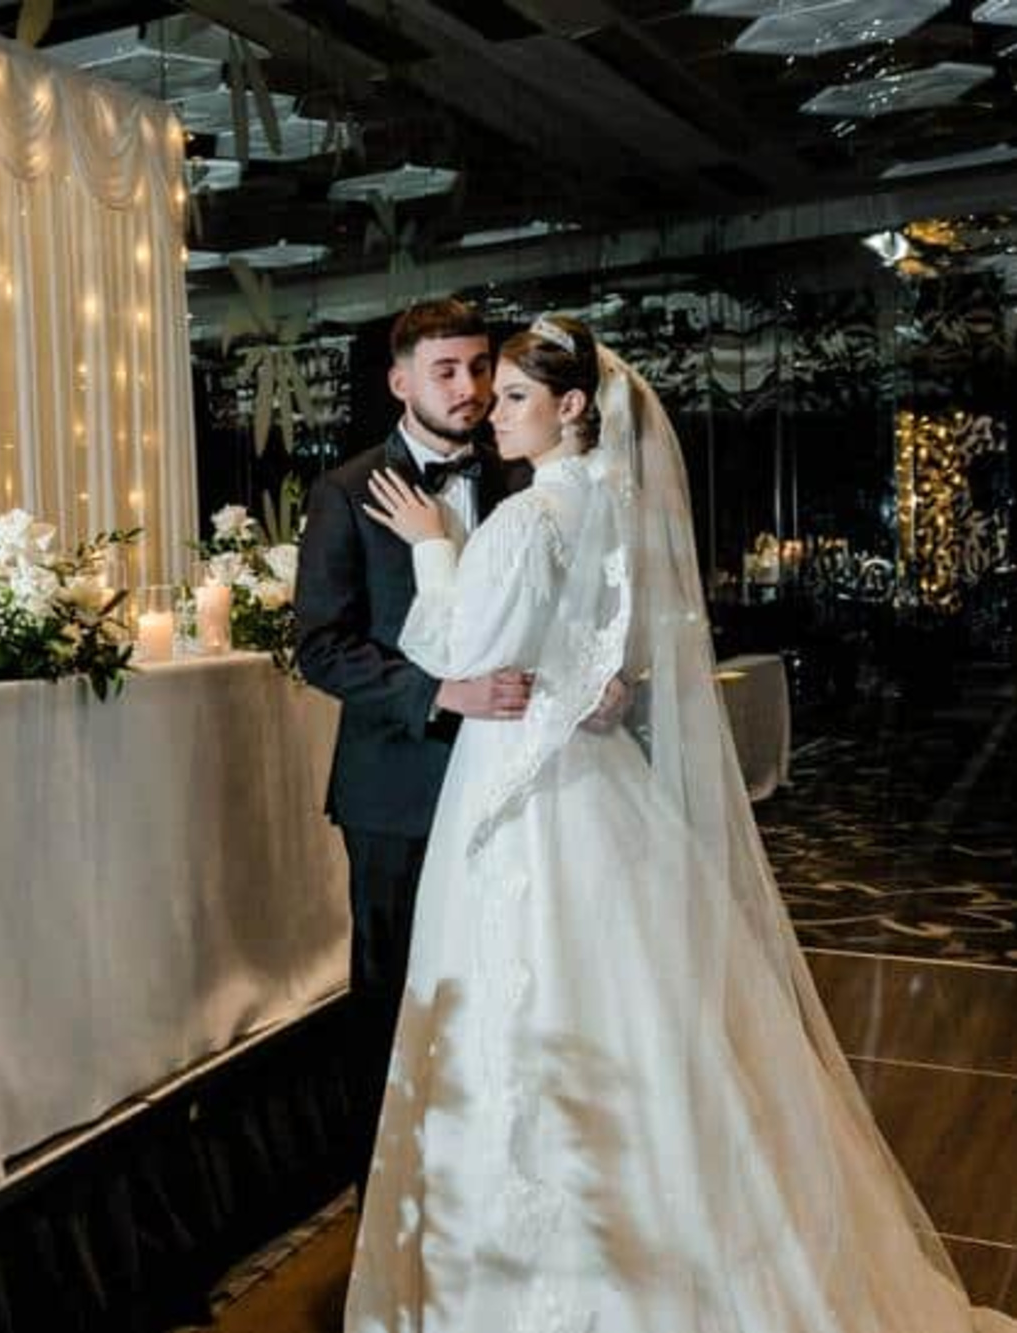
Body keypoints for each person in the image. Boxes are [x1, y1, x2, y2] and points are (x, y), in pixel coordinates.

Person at [344, 314, 1013, 1332]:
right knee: (632, 1013)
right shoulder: (605, 507)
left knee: (525, 1008)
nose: (492, 411)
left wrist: (436, 552)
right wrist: (593, 687)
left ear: (570, 409)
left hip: (520, 790)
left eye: (514, 395)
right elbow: (608, 648)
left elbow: (453, 644)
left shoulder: (526, 519)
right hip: (588, 780)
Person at [293, 297, 529, 1196]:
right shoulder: (347, 492)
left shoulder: (522, 477)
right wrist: (440, 694)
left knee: (500, 973)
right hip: (396, 789)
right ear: (400, 381)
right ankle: (386, 1185)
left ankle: (488, 1173)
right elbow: (320, 644)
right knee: (394, 990)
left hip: (510, 775)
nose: (468, 388)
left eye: (479, 368)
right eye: (446, 370)